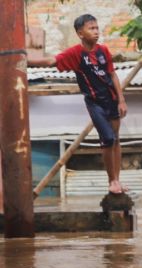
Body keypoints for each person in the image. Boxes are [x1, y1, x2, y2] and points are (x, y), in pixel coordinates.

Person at [28, 14, 128, 194]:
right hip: (94, 102)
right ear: (80, 33)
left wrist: (121, 100)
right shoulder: (76, 53)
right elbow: (51, 61)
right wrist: (23, 60)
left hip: (112, 100)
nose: (96, 32)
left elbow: (112, 74)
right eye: (91, 29)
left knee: (116, 138)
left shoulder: (103, 50)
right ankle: (112, 181)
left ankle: (118, 180)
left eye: (97, 28)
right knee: (107, 139)